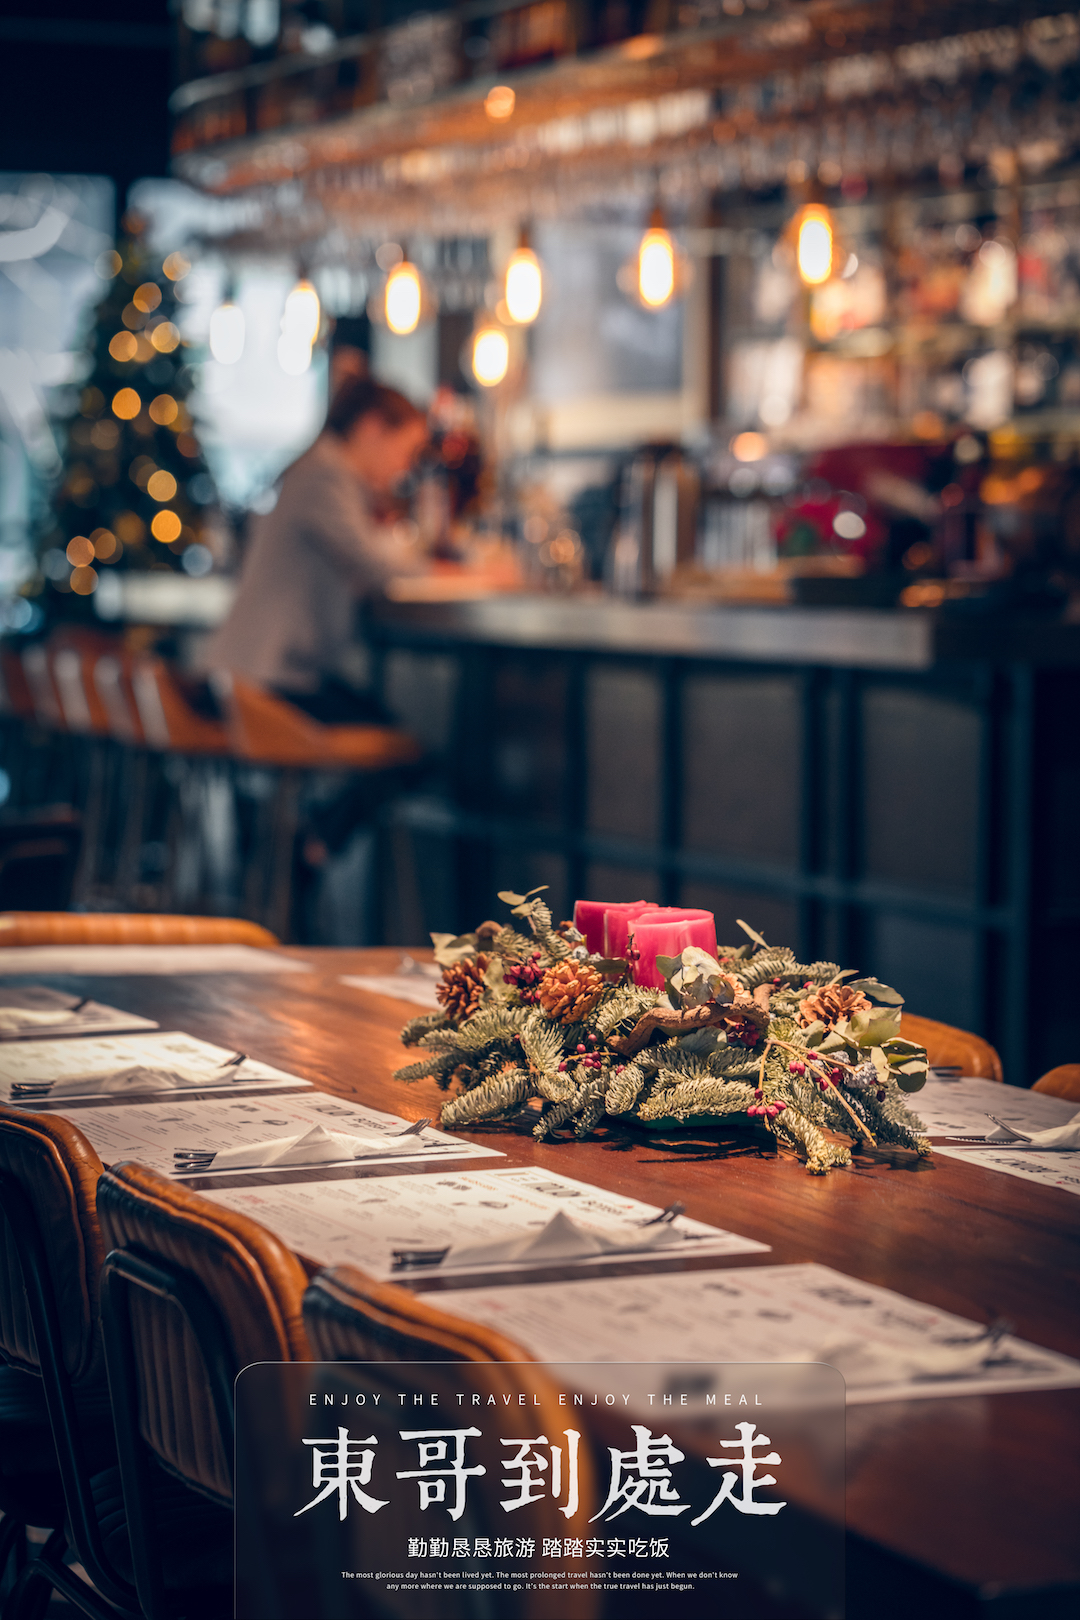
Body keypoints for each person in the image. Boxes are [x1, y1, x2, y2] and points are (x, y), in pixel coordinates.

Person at [201, 376, 429, 722]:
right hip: (267, 678)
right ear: (371, 428)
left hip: (262, 674)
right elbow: (374, 564)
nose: (405, 467)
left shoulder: (324, 469)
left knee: (382, 727)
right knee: (399, 746)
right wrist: (460, 574)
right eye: (406, 451)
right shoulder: (326, 473)